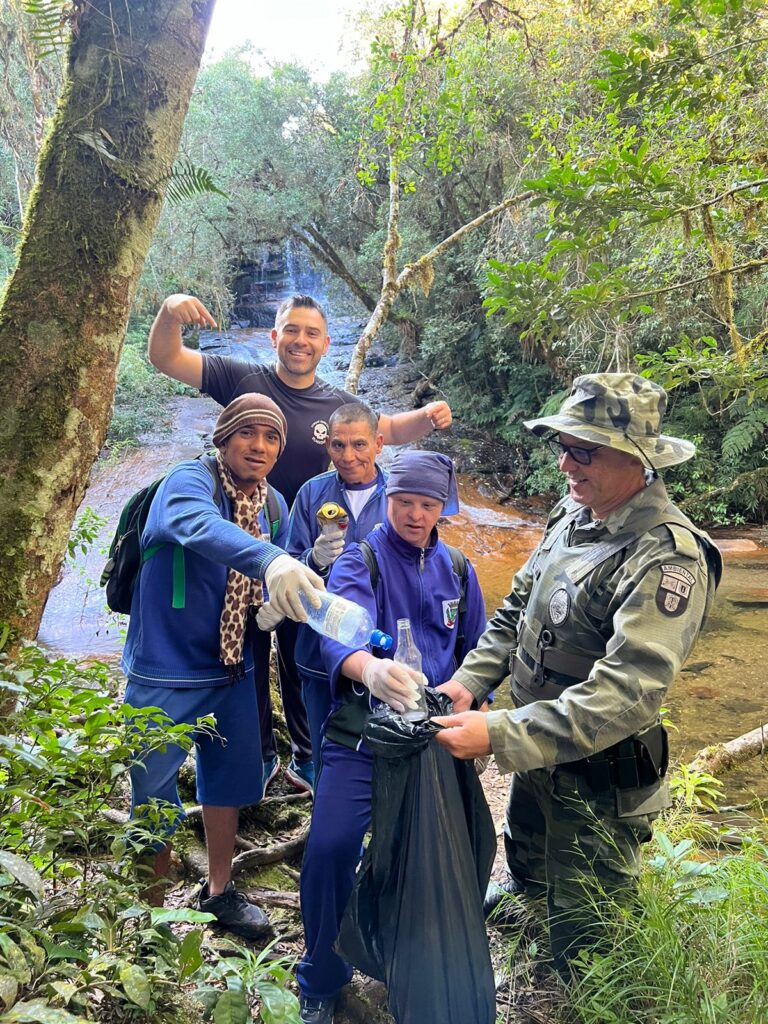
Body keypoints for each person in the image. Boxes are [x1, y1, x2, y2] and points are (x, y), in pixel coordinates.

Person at [434, 373, 723, 972]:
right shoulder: (573, 512)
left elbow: (629, 694)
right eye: (563, 446)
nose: (565, 462)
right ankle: (528, 906)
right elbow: (517, 610)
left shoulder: (667, 555)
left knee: (590, 945)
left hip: (599, 779)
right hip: (541, 758)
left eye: (582, 450)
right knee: (529, 863)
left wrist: (501, 734)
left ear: (636, 459)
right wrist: (470, 681)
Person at [148, 292, 452, 794]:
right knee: (248, 652)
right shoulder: (243, 379)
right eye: (291, 330)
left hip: (301, 552)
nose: (300, 341)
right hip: (241, 543)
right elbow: (167, 358)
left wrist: (427, 417)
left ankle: (307, 756)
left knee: (297, 651)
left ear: (326, 343)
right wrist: (170, 312)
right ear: (275, 336)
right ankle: (260, 758)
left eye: (311, 333)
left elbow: (382, 430)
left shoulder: (335, 403)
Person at [122, 394, 324, 939]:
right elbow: (193, 525)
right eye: (247, 433)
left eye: (272, 437)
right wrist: (270, 559)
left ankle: (219, 892)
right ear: (223, 437)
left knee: (227, 784)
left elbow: (281, 570)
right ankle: (148, 918)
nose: (259, 446)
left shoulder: (275, 505)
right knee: (153, 795)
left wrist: (298, 575)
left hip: (234, 669)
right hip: (166, 670)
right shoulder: (187, 483)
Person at [296, 451, 487, 1024]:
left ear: (442, 508)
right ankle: (321, 979)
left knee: (441, 853)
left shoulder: (458, 567)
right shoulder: (362, 558)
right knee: (331, 847)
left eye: (428, 505)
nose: (414, 514)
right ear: (388, 500)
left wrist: (470, 697)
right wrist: (368, 669)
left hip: (433, 738)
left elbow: (480, 649)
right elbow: (338, 630)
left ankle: (414, 969)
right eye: (404, 501)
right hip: (362, 733)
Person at [258, 401, 388, 778]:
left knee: (378, 732)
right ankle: (320, 807)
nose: (348, 456)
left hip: (378, 639)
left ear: (379, 443)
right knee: (320, 729)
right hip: (317, 637)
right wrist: (314, 559)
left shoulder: (397, 495)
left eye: (359, 445)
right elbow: (285, 564)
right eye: (338, 445)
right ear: (327, 445)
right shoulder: (312, 493)